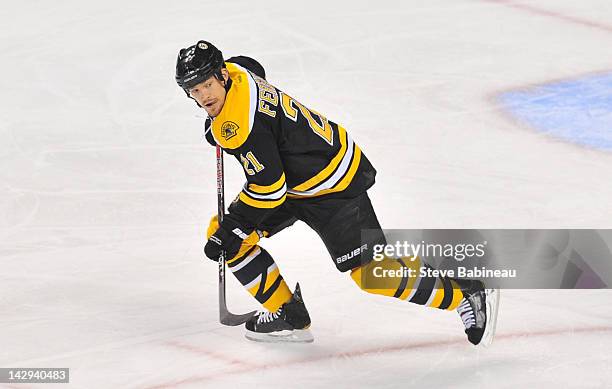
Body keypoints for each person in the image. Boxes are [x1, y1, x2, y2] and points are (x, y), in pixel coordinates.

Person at [175, 40, 499, 345]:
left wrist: (235, 225)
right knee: (226, 237)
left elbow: (268, 189)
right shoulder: (238, 74)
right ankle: (289, 314)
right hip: (297, 180)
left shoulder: (239, 125)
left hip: (332, 184)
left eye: (207, 85)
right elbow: (251, 65)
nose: (204, 96)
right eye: (195, 89)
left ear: (221, 76)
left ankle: (465, 292)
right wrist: (232, 229)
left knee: (373, 276)